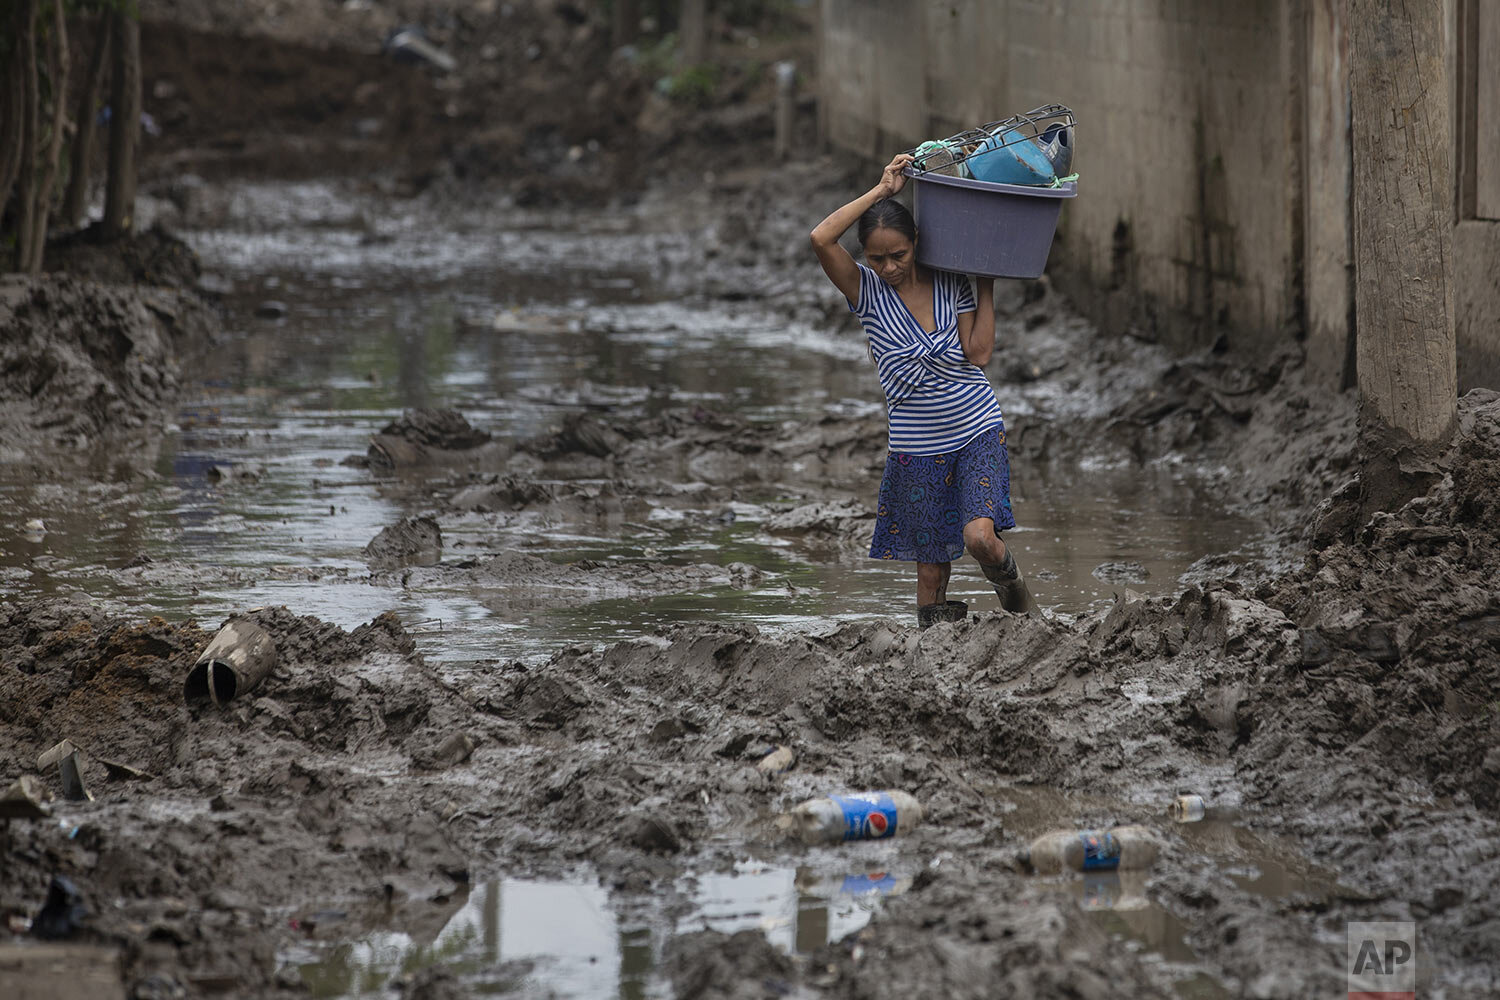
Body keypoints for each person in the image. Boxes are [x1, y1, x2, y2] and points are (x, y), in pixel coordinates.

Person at [810, 152, 1036, 629]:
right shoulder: (866, 293)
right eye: (877, 258)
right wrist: (882, 190)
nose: (889, 266)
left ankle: (1018, 598)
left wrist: (986, 279)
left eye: (899, 255)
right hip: (916, 449)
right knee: (930, 571)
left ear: (916, 243)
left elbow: (979, 354)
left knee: (980, 538)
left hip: (976, 429)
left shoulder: (950, 281)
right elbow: (820, 237)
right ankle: (937, 655)